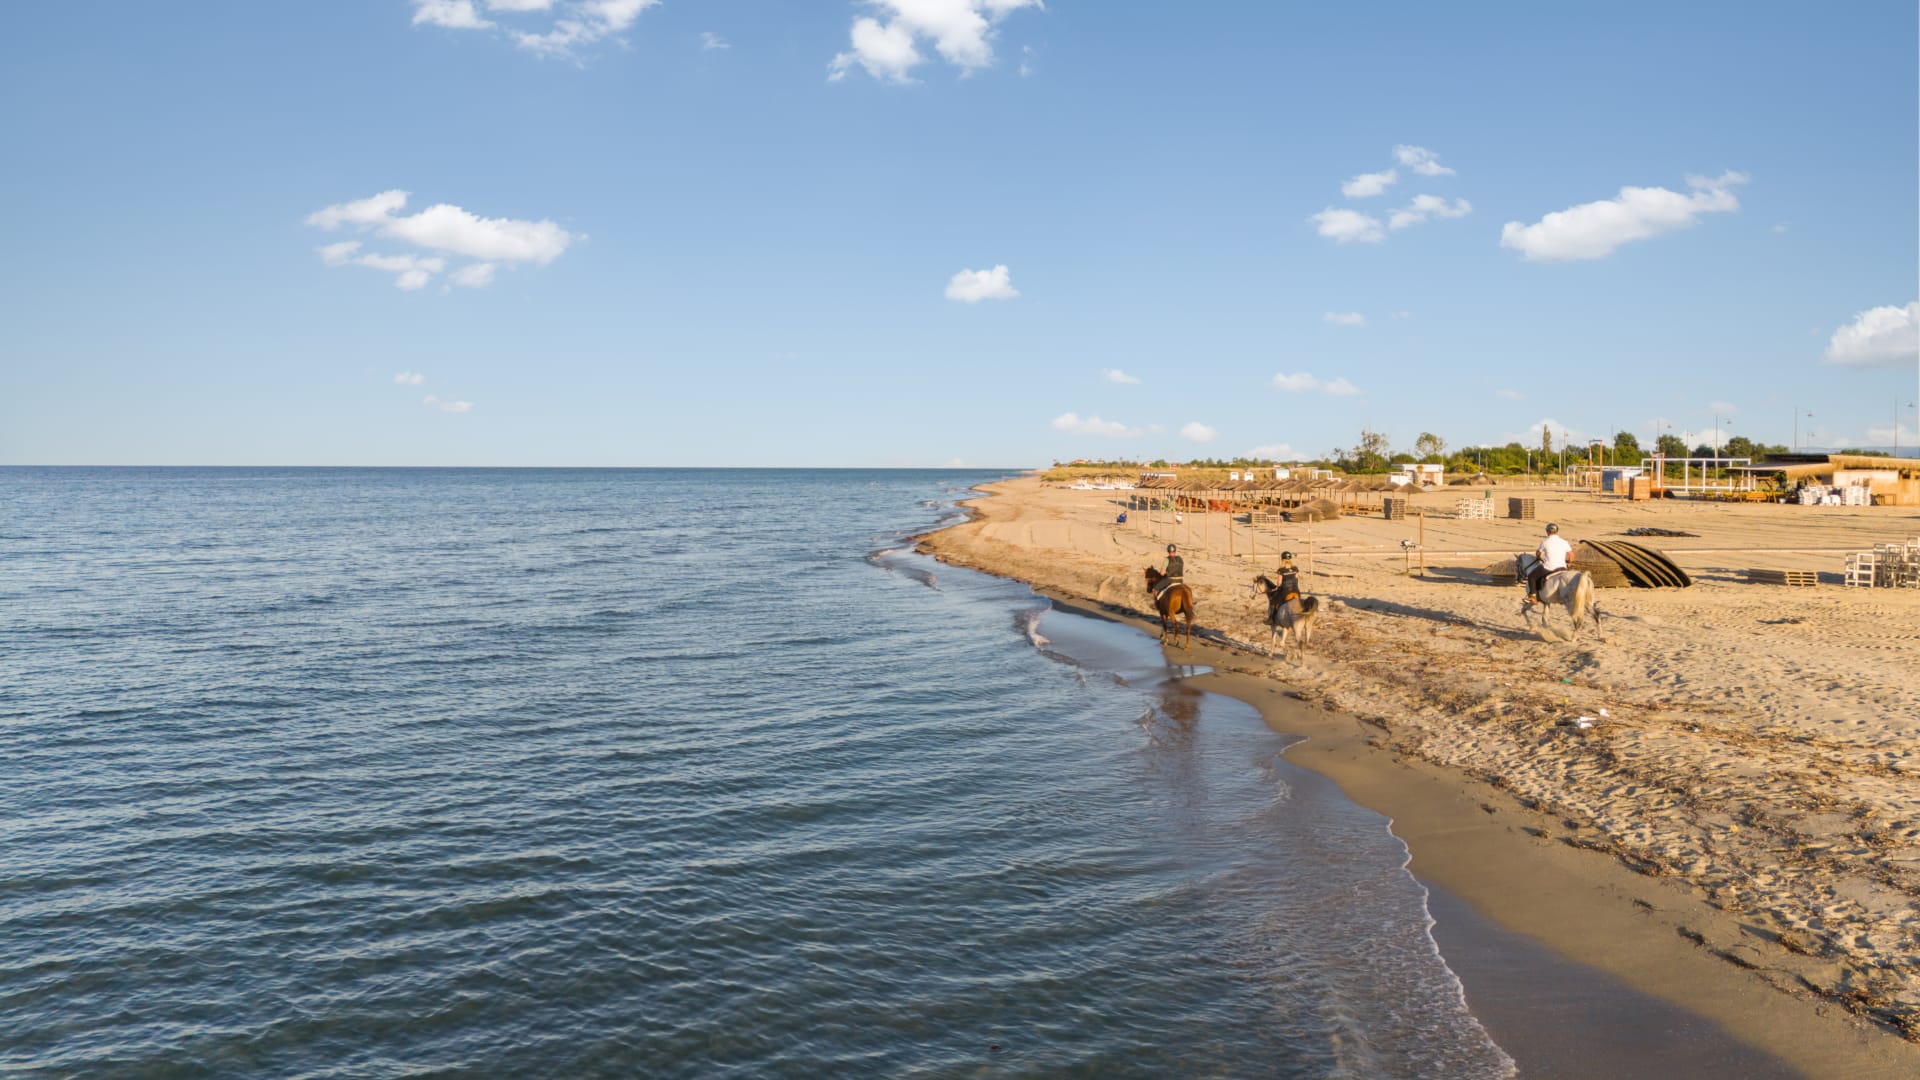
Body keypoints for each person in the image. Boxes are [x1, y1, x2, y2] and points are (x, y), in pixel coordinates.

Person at [1528, 522, 1573, 604]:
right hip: (1562, 567)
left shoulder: (1545, 542)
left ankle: (1533, 596)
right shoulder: (1564, 542)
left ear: (1547, 531)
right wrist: (1569, 563)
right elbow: (1571, 555)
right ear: (1557, 531)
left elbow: (1538, 553)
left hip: (1549, 567)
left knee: (1531, 576)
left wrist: (1538, 556)